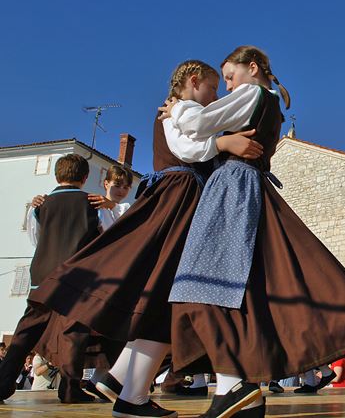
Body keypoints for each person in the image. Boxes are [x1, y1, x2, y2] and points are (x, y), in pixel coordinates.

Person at [162, 45, 345, 418]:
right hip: (239, 185)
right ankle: (232, 387)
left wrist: (178, 110)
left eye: (230, 76)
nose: (226, 85)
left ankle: (234, 385)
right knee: (221, 287)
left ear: (252, 69)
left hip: (233, 186)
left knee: (202, 283)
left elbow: (198, 124)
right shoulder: (262, 97)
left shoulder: (252, 93)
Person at [25, 60, 262, 418]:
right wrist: (224, 140)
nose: (216, 96)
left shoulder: (187, 111)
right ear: (194, 81)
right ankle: (196, 383)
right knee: (188, 285)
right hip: (179, 200)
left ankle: (125, 381)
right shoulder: (175, 112)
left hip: (183, 198)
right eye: (213, 88)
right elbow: (186, 150)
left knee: (169, 292)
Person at [0, 154, 102, 404]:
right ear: (85, 177)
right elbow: (103, 238)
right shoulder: (93, 204)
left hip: (43, 276)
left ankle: (2, 382)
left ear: (57, 175)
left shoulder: (40, 204)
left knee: (26, 331)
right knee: (74, 333)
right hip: (77, 277)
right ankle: (69, 388)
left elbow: (36, 240)